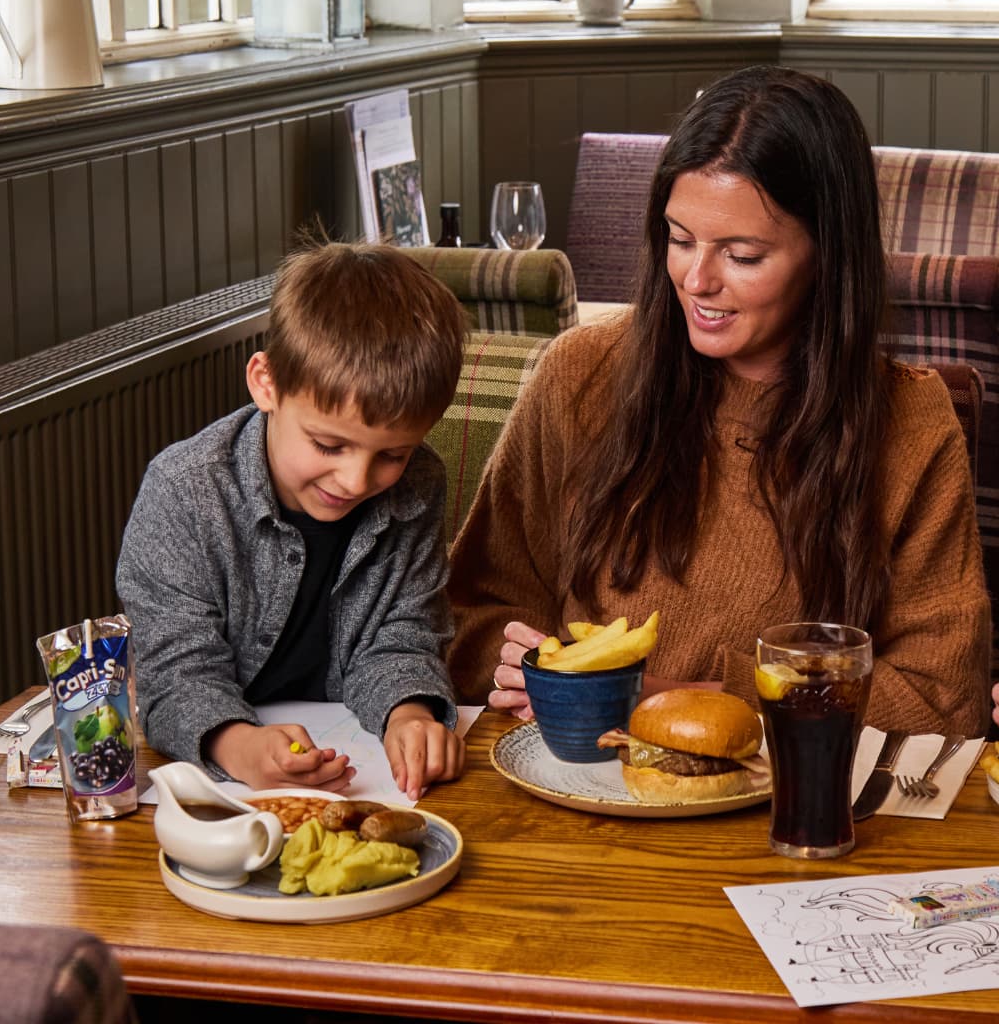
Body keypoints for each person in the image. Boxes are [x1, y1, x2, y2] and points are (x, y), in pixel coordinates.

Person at [448, 65, 991, 738]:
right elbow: (473, 612)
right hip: (581, 778)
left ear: (827, 254)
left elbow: (944, 699)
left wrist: (690, 698)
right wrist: (511, 667)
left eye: (743, 254)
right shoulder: (581, 373)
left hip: (794, 804)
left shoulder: (912, 422)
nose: (697, 280)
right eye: (679, 240)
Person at [117, 241, 470, 798]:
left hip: (353, 762)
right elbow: (176, 673)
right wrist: (240, 747)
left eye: (392, 455)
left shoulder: (419, 483)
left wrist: (409, 713)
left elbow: (402, 634)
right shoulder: (184, 490)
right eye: (329, 444)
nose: (356, 481)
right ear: (266, 383)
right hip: (220, 784)